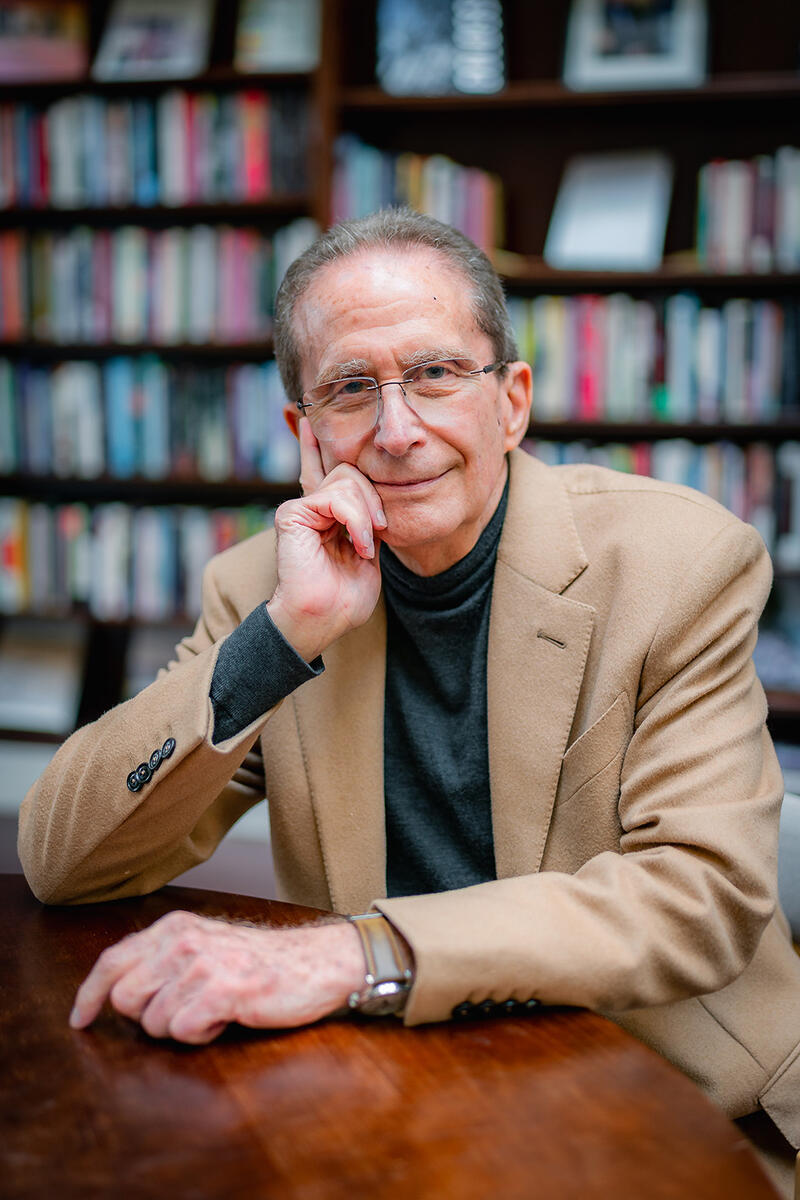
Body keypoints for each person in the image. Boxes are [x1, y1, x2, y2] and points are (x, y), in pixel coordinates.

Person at [18, 208, 800, 1179]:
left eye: (434, 374)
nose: (397, 430)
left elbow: (700, 898)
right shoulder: (266, 587)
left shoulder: (678, 562)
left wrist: (356, 955)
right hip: (410, 1095)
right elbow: (61, 862)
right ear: (304, 432)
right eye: (351, 388)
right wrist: (283, 637)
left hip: (683, 1110)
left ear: (510, 400)